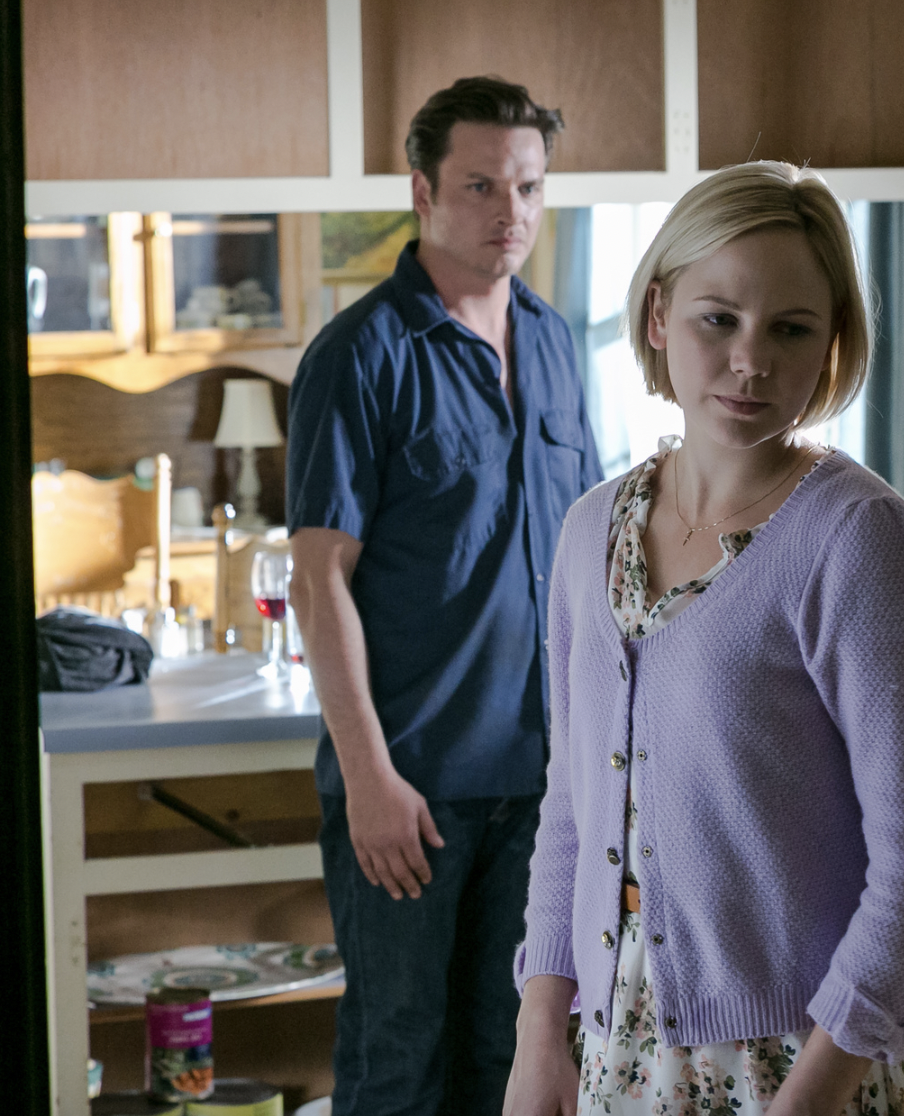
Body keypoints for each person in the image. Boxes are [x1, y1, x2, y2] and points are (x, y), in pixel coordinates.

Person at [505, 162, 904, 1116]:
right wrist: (539, 1034)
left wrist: (809, 1098)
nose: (751, 360)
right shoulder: (591, 531)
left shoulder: (860, 544)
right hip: (618, 1054)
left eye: (790, 329)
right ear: (658, 316)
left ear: (832, 342)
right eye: (718, 319)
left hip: (813, 1066)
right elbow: (572, 811)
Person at [287, 76, 604, 1116]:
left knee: (515, 1063)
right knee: (399, 1069)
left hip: (545, 790)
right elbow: (317, 581)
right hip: (410, 792)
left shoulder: (555, 341)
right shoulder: (359, 355)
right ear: (421, 192)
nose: (510, 211)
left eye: (528, 187)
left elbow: (587, 557)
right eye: (480, 185)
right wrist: (369, 778)